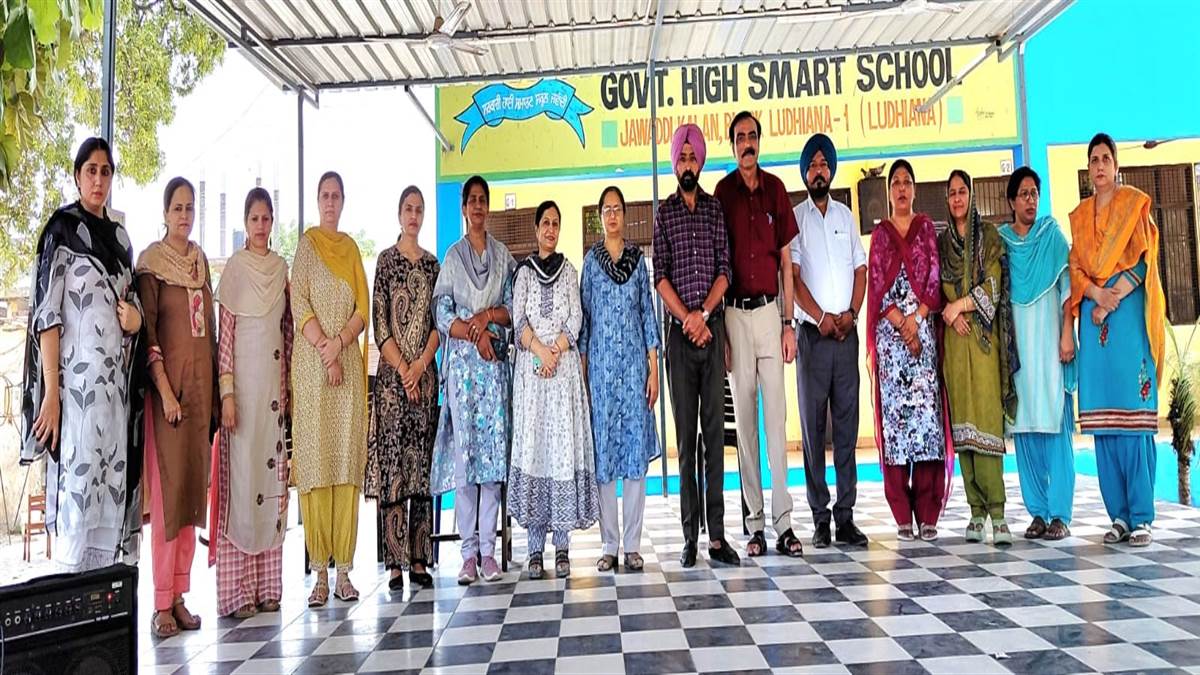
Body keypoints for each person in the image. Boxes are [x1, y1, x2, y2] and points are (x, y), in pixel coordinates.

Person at [21, 137, 146, 577]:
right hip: (74, 398)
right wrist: (51, 395)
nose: (98, 179)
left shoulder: (121, 239)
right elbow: (47, 315)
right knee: (77, 512)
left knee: (108, 517)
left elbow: (133, 306)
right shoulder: (62, 231)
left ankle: (105, 618)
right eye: (90, 170)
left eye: (105, 171)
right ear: (77, 176)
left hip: (114, 401)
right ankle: (70, 612)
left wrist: (136, 320)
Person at [1069, 133, 1165, 547]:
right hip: (1095, 328)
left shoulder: (1133, 206)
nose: (1100, 166)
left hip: (1125, 321)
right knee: (1105, 426)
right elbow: (1075, 269)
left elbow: (1143, 263)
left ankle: (1141, 516)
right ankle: (1119, 517)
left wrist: (1110, 299)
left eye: (1105, 158)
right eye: (1094, 159)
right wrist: (1095, 294)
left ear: (1116, 164)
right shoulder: (1080, 216)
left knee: (1133, 421)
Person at [713, 112, 802, 558]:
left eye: (751, 136)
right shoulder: (722, 193)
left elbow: (786, 263)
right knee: (745, 426)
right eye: (739, 138)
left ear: (759, 143)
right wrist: (724, 337)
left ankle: (784, 524)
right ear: (732, 146)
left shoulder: (777, 190)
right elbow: (718, 264)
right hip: (734, 316)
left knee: (776, 420)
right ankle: (755, 525)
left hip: (770, 315)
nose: (746, 144)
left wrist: (788, 323)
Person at [652, 123, 740, 568]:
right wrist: (687, 319)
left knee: (714, 441)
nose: (688, 164)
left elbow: (726, 270)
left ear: (700, 162)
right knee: (686, 442)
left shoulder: (714, 210)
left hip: (712, 331)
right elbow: (660, 275)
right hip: (679, 340)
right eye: (682, 158)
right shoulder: (664, 214)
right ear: (675, 164)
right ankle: (690, 537)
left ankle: (717, 537)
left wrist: (703, 315)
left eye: (693, 158)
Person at [136, 176, 218, 637]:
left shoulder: (200, 265)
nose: (184, 215)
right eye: (177, 208)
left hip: (198, 403)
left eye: (190, 208)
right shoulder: (152, 265)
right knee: (168, 503)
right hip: (167, 403)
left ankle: (181, 596)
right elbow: (148, 336)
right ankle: (160, 602)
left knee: (190, 499)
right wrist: (166, 392)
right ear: (165, 213)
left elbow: (209, 334)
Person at [210, 188, 293, 618]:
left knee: (271, 483)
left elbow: (288, 333)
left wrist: (289, 386)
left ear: (273, 222)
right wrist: (227, 395)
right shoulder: (236, 271)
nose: (261, 226)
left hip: (272, 398)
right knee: (242, 488)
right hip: (241, 398)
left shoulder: (280, 270)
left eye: (266, 218)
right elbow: (225, 340)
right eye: (254, 218)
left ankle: (268, 588)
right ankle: (238, 593)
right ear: (245, 222)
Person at [430, 175, 516, 584]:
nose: (478, 206)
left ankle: (488, 552)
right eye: (472, 200)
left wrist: (486, 318)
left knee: (492, 462)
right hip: (464, 371)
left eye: (483, 200)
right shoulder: (452, 257)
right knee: (467, 464)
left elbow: (514, 307)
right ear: (464, 209)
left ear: (488, 207)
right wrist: (473, 333)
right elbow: (442, 312)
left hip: (493, 370)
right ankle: (467, 555)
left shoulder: (502, 257)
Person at [290, 171, 370, 604]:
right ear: (317, 200)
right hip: (312, 370)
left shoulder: (351, 249)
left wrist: (340, 345)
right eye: (324, 195)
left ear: (344, 201)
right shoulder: (307, 246)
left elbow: (363, 306)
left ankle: (344, 573)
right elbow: (298, 301)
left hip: (347, 372)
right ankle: (319, 573)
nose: (330, 202)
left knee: (343, 464)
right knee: (317, 464)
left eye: (336, 195)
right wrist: (325, 348)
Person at [509, 201, 599, 579]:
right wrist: (540, 351)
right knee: (536, 454)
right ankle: (534, 549)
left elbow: (576, 319)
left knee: (561, 455)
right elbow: (518, 321)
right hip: (533, 380)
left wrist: (555, 352)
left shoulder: (569, 272)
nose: (550, 229)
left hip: (562, 379)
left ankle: (562, 548)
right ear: (536, 229)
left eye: (555, 224)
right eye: (545, 223)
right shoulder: (524, 274)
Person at [866, 160, 953, 542]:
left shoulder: (926, 229)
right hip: (892, 340)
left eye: (907, 182)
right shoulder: (880, 235)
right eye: (895, 183)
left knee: (927, 423)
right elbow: (875, 285)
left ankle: (928, 513)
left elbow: (933, 279)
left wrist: (916, 320)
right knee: (896, 426)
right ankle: (902, 513)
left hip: (922, 337)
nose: (901, 188)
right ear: (889, 192)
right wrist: (902, 323)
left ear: (915, 189)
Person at [790, 133, 869, 548]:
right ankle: (820, 518)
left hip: (845, 336)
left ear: (831, 170)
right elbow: (793, 279)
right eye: (812, 165)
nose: (818, 171)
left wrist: (851, 314)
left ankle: (846, 516)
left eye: (824, 164)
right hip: (813, 338)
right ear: (804, 172)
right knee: (812, 430)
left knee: (846, 428)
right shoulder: (796, 219)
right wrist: (820, 318)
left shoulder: (846, 216)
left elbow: (860, 270)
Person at [580, 186, 661, 572]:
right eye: (606, 209)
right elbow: (583, 321)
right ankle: (609, 544)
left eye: (617, 209)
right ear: (600, 217)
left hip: (633, 373)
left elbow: (647, 314)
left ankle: (632, 545)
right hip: (600, 373)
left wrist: (653, 368)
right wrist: (583, 375)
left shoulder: (637, 262)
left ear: (625, 215)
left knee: (633, 454)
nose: (612, 215)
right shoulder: (591, 263)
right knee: (605, 458)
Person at [938, 170, 1019, 546]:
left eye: (962, 191)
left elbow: (994, 285)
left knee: (985, 420)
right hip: (956, 342)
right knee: (963, 426)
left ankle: (998, 514)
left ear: (971, 196)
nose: (957, 198)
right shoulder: (943, 244)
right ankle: (974, 511)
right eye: (952, 193)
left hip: (983, 340)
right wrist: (950, 312)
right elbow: (937, 285)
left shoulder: (988, 237)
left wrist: (959, 306)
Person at [366, 186, 440, 590]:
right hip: (393, 386)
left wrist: (420, 366)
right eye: (408, 209)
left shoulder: (432, 266)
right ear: (399, 215)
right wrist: (404, 370)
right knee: (394, 468)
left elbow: (438, 323)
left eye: (419, 210)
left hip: (424, 382)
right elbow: (381, 324)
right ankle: (394, 562)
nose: (413, 216)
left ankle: (418, 559)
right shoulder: (386, 261)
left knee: (421, 469)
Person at [998, 167, 1078, 541]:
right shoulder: (1002, 243)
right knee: (1025, 425)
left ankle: (1060, 513)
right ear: (1012, 201)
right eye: (1024, 194)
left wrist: (1066, 334)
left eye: (1035, 193)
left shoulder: (1052, 236)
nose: (1031, 200)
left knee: (1055, 421)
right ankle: (1038, 512)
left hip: (1050, 344)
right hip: (1018, 349)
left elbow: (1067, 288)